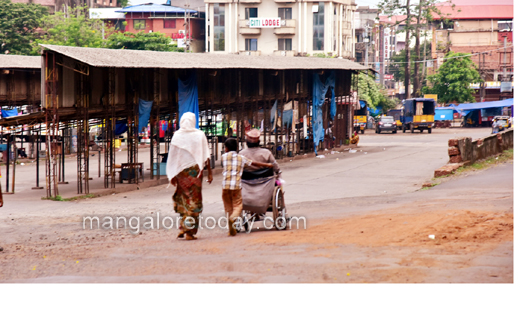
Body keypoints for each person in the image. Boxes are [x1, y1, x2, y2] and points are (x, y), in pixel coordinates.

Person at [166, 112, 213, 241]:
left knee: (183, 197)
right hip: (196, 172)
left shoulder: (177, 136)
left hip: (181, 172)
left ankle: (183, 226)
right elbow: (206, 155)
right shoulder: (199, 135)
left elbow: (173, 157)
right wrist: (209, 172)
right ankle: (189, 231)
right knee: (194, 199)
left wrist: (172, 173)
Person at [222, 138, 273, 236]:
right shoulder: (241, 158)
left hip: (225, 186)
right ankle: (233, 219)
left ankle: (230, 229)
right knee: (238, 206)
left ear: (226, 149)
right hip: (236, 186)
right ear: (237, 148)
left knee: (228, 207)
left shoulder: (224, 157)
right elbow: (253, 163)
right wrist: (267, 165)